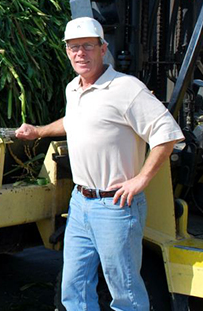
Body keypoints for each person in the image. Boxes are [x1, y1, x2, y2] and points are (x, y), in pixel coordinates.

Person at [15, 17, 184, 311]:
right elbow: (76, 121)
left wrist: (141, 179)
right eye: (74, 47)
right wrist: (40, 131)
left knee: (125, 292)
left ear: (103, 48)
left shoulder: (127, 89)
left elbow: (166, 134)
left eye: (88, 46)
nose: (81, 53)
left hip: (115, 207)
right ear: (67, 52)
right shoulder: (73, 89)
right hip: (80, 203)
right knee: (74, 287)